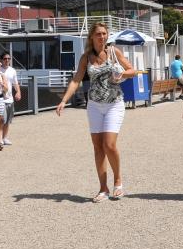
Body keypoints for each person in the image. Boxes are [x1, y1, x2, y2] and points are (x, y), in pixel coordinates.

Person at [56, 21, 140, 202]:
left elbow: (133, 70)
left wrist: (122, 74)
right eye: (98, 34)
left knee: (109, 144)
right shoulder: (86, 57)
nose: (102, 37)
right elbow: (76, 79)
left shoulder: (114, 52)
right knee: (97, 147)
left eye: (104, 33)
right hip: (94, 104)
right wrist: (63, 100)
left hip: (114, 103)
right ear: (91, 37)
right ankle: (103, 188)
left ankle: (118, 181)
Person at [0, 53, 21, 145]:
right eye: (5, 58)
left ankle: (4, 138)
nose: (7, 60)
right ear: (1, 59)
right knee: (1, 120)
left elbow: (15, 83)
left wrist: (18, 92)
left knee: (8, 120)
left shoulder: (12, 70)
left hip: (10, 99)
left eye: (9, 58)